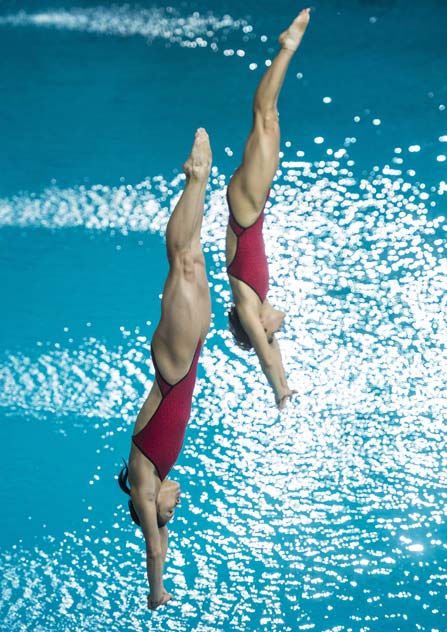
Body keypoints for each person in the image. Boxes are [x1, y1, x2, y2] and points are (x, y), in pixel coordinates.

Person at [117, 129, 212, 610]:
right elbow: (164, 539)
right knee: (193, 257)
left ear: (151, 509)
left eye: (170, 511)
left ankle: (195, 179)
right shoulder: (155, 478)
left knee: (180, 265)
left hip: (172, 367)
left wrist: (157, 592)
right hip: (189, 360)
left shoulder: (144, 484)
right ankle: (198, 187)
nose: (178, 504)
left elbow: (155, 545)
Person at [225, 9, 309, 410]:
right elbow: (273, 352)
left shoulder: (249, 307)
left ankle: (286, 47)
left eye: (271, 333)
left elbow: (263, 352)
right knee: (270, 124)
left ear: (256, 328)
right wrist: (287, 383)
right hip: (251, 211)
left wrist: (277, 389)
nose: (279, 330)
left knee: (265, 118)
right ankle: (286, 50)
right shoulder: (255, 307)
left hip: (245, 213)